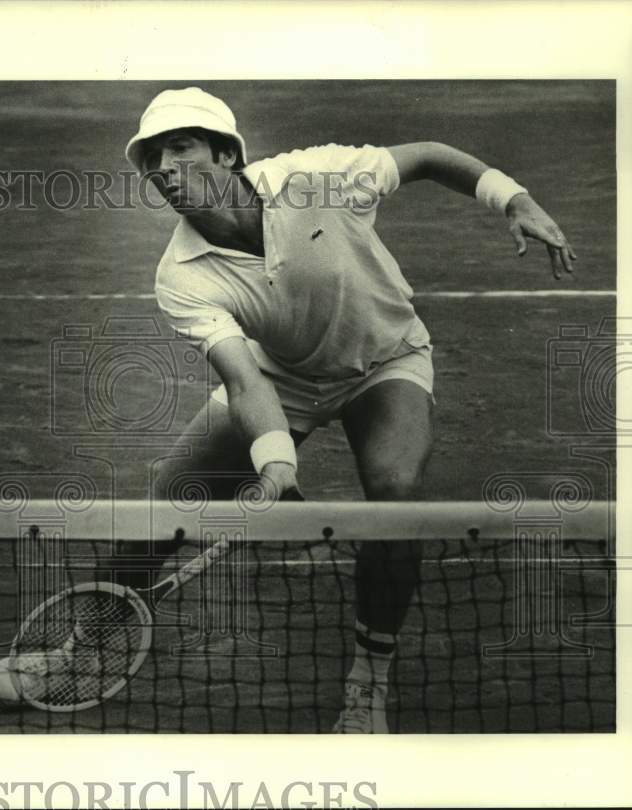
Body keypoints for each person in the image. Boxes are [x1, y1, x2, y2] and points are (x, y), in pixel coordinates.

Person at [110, 86, 576, 733]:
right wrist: (274, 460)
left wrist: (513, 199)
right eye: (152, 157)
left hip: (384, 363)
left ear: (225, 153)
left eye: (180, 146)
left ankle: (368, 682)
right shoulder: (182, 275)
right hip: (283, 377)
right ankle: (83, 644)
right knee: (162, 506)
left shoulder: (314, 179)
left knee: (394, 498)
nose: (163, 167)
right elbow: (244, 379)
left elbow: (430, 156)